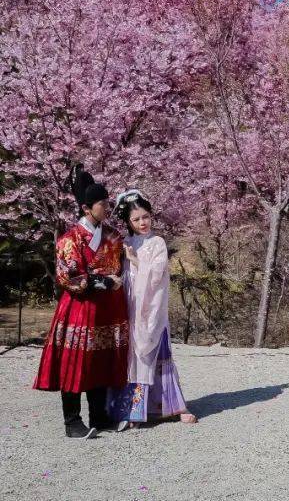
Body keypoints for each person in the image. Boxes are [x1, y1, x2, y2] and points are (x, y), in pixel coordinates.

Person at [34, 165, 128, 439]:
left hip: (106, 309)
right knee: (74, 361)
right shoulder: (69, 239)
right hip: (79, 307)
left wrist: (110, 278)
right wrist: (101, 280)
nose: (107, 206)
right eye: (103, 203)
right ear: (87, 208)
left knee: (100, 359)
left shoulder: (113, 237)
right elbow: (69, 274)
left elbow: (117, 267)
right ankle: (72, 421)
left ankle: (99, 416)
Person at [108, 190, 197, 429]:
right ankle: (134, 410)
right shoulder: (125, 243)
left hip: (153, 309)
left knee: (157, 353)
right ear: (128, 222)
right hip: (131, 306)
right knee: (132, 357)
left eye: (145, 216)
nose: (142, 223)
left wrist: (136, 260)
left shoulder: (157, 243)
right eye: (136, 219)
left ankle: (173, 406)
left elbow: (158, 275)